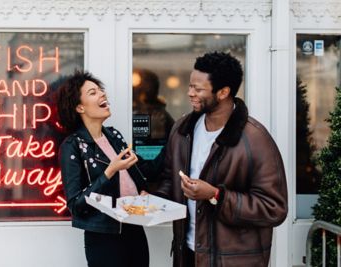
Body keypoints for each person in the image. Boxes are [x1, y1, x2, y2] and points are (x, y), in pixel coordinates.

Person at [155, 52, 288, 267]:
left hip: (233, 261)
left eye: (198, 89)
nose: (190, 93)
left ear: (223, 92)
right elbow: (169, 179)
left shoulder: (256, 140)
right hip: (187, 254)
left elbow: (274, 208)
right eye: (190, 86)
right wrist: (152, 201)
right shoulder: (182, 130)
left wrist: (216, 195)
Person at [57, 70, 161, 267]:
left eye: (100, 90)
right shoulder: (72, 145)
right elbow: (76, 205)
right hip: (104, 238)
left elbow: (143, 172)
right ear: (80, 107)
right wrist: (109, 171)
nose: (102, 94)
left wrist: (175, 139)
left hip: (134, 228)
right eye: (93, 92)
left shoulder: (114, 136)